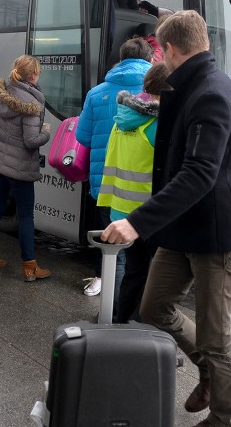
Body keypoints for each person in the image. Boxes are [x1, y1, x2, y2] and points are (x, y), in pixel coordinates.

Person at [102, 10, 231, 427]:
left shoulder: (211, 93)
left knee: (216, 337)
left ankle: (224, 418)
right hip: (181, 229)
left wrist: (137, 221)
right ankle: (207, 370)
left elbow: (200, 173)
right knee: (154, 308)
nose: (159, 59)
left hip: (216, 235)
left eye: (161, 52)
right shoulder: (184, 86)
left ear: (170, 48)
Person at [75, 37, 153, 299]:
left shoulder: (97, 93)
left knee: (115, 254)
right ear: (150, 59)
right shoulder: (157, 91)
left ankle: (112, 312)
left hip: (106, 184)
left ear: (120, 58)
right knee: (144, 259)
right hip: (145, 189)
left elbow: (83, 138)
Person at [96, 63, 170, 324]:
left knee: (134, 272)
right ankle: (140, 331)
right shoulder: (157, 124)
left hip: (120, 210)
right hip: (148, 216)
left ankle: (122, 323)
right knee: (153, 277)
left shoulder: (123, 116)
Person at [0, 54, 52, 281]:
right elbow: (31, 141)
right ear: (34, 75)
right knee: (26, 216)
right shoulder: (32, 104)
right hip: (20, 169)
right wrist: (46, 133)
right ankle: (30, 267)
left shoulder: (0, 90)